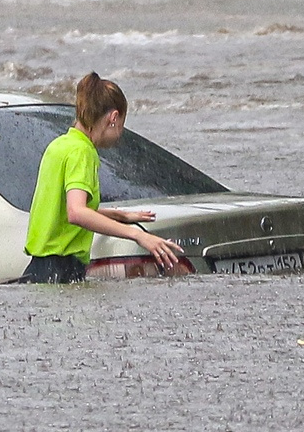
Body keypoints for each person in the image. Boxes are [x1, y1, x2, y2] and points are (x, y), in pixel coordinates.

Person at [20, 73, 188, 283]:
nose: (120, 133)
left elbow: (60, 210)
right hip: (62, 268)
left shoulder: (59, 146)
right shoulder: (83, 152)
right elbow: (76, 213)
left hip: (40, 268)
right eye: (122, 125)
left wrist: (117, 215)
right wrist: (139, 236)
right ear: (113, 118)